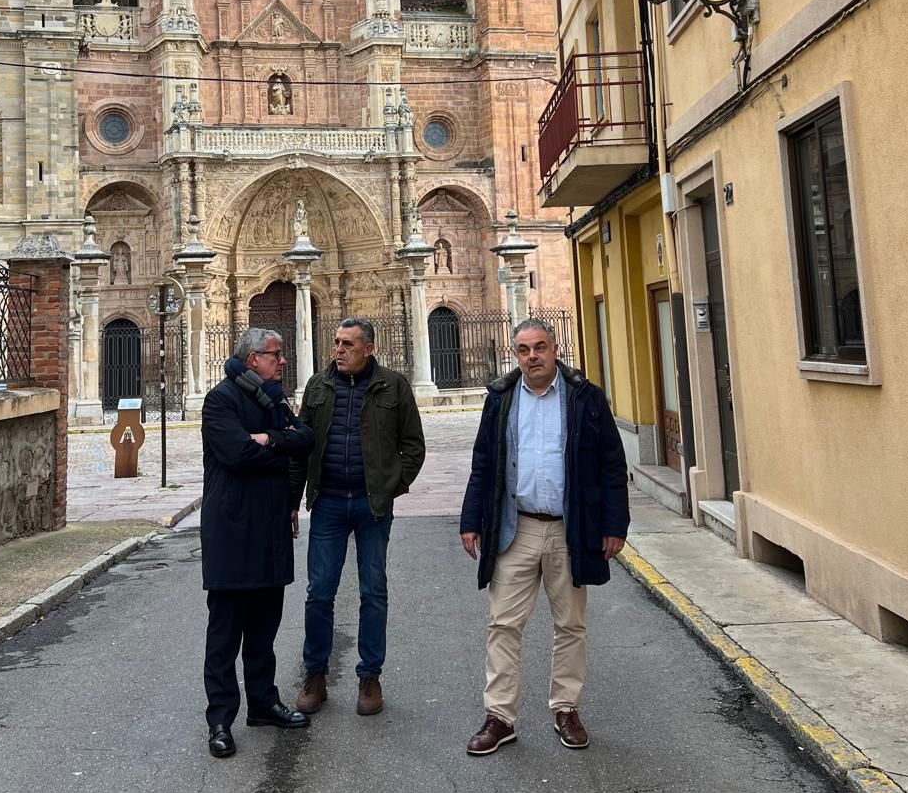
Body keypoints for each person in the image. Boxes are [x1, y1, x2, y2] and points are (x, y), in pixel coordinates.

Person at [459, 318, 629, 755]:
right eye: (523, 349)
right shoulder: (500, 400)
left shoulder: (584, 398)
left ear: (555, 349)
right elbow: (483, 463)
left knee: (570, 624)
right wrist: (471, 519)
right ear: (514, 354)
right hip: (516, 528)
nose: (532, 356)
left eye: (539, 347)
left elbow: (612, 464)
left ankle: (566, 709)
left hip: (568, 529)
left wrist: (614, 525)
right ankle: (500, 717)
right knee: (503, 624)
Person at [293, 318, 426, 717]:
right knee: (319, 592)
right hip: (329, 502)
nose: (338, 349)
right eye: (336, 342)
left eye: (347, 344)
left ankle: (370, 675)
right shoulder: (318, 386)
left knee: (374, 592)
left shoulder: (393, 386)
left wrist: (390, 486)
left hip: (372, 505)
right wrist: (291, 501)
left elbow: (413, 446)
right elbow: (301, 444)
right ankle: (314, 673)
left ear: (368, 349)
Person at [200, 327, 316, 759]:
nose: (282, 361)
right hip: (231, 532)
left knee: (264, 630)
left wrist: (269, 440)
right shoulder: (221, 400)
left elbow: (304, 439)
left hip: (268, 530)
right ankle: (220, 719)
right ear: (253, 360)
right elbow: (236, 454)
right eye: (275, 354)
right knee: (225, 634)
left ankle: (264, 704)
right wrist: (276, 450)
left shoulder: (274, 399)